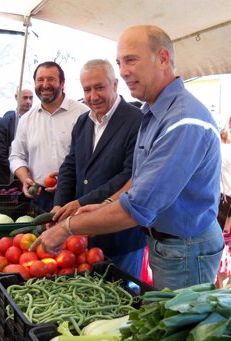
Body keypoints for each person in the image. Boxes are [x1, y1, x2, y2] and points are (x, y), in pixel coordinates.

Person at [31, 25, 224, 290]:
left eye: (131, 60)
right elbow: (139, 179)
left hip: (186, 246)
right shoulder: (154, 112)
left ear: (163, 59)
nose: (123, 70)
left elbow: (140, 205)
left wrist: (67, 228)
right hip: (167, 243)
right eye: (120, 62)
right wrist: (106, 203)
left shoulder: (182, 120)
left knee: (181, 328)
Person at [50, 59, 146, 277]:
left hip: (121, 238)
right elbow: (70, 166)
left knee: (122, 298)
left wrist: (81, 203)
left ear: (114, 84)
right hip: (84, 237)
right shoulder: (83, 122)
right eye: (87, 89)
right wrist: (59, 205)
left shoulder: (137, 121)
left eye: (99, 87)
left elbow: (129, 175)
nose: (93, 96)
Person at [9, 61, 89, 211]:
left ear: (62, 83)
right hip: (41, 197)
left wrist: (68, 179)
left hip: (77, 195)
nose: (45, 85)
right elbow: (16, 156)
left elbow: (93, 156)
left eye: (51, 79)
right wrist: (25, 178)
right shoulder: (27, 119)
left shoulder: (83, 113)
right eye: (40, 80)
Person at [0, 88, 34, 183]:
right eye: (25, 98)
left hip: (37, 176)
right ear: (16, 97)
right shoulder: (3, 123)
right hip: (13, 177)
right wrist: (20, 173)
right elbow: (1, 154)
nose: (28, 101)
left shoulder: (40, 120)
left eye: (31, 98)